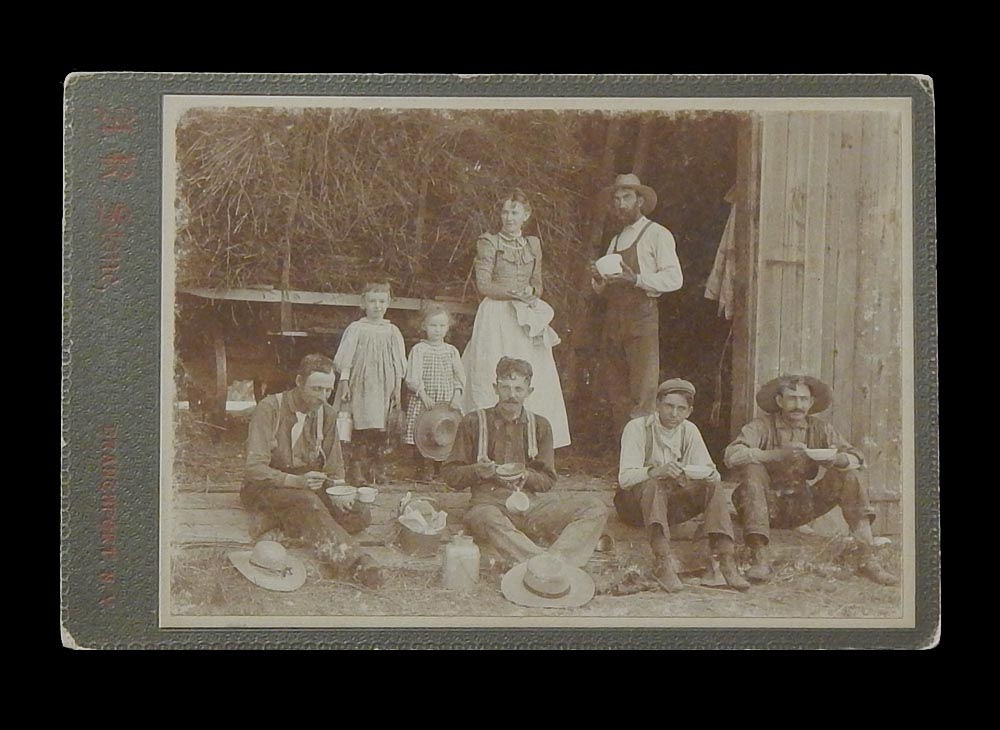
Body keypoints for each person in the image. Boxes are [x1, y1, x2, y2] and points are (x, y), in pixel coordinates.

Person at [724, 374, 899, 586]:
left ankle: (867, 559)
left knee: (850, 475)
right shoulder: (761, 426)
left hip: (801, 507)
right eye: (792, 398)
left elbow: (857, 457)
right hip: (761, 507)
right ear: (780, 401)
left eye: (804, 399)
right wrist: (775, 455)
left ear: (811, 403)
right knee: (752, 469)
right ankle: (759, 558)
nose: (798, 405)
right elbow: (732, 455)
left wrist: (838, 459)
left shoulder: (820, 428)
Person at [442, 357, 608, 570]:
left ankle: (559, 561)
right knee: (482, 517)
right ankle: (543, 564)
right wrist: (477, 471)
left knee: (594, 507)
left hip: (532, 507)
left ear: (529, 391)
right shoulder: (473, 422)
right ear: (496, 388)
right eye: (506, 388)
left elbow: (548, 480)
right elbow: (450, 475)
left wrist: (527, 476)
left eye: (519, 389)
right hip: (489, 506)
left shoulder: (540, 426)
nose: (512, 395)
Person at [241, 353, 383, 588]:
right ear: (298, 382)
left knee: (360, 515)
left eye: (328, 390)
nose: (322, 397)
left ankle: (285, 525)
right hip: (266, 485)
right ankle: (356, 564)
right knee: (307, 502)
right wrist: (296, 482)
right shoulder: (269, 409)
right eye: (316, 389)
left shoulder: (327, 413)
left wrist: (340, 495)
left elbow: (335, 468)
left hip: (307, 484)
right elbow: (253, 469)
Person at [614, 378, 748, 592]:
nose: (674, 413)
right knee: (653, 484)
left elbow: (710, 471)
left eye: (681, 408)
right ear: (657, 405)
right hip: (634, 506)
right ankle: (663, 561)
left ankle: (726, 559)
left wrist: (697, 475)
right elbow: (625, 478)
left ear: (689, 411)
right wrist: (657, 471)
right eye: (668, 406)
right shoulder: (637, 428)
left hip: (670, 507)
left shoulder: (689, 430)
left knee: (713, 486)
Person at [461, 189, 571, 449]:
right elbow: (485, 285)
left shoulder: (532, 244)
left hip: (526, 316)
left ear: (526, 215)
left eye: (515, 212)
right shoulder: (489, 242)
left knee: (535, 374)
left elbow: (538, 284)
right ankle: (487, 442)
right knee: (492, 369)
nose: (508, 217)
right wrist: (514, 294)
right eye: (505, 212)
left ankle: (531, 443)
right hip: (497, 316)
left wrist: (531, 293)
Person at [591, 173, 683, 437]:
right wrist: (598, 280)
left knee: (643, 392)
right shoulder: (615, 240)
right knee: (617, 391)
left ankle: (644, 459)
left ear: (640, 200)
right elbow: (604, 287)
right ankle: (625, 459)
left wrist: (638, 279)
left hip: (641, 318)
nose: (620, 204)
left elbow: (674, 278)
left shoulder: (657, 234)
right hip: (614, 319)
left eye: (627, 198)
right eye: (617, 199)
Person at [333, 282, 407, 486]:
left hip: (385, 384)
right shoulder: (356, 328)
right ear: (363, 303)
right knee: (360, 424)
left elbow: (398, 362)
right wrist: (345, 382)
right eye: (372, 301)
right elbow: (346, 358)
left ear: (389, 303)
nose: (377, 306)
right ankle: (356, 469)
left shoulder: (392, 331)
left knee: (380, 427)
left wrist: (397, 388)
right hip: (362, 382)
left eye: (382, 301)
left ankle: (377, 469)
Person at [404, 302, 466, 481]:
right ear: (424, 326)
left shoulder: (451, 351)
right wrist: (422, 394)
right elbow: (412, 376)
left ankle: (442, 468)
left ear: (448, 327)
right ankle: (424, 469)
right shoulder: (419, 350)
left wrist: (457, 394)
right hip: (426, 400)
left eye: (442, 326)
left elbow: (459, 376)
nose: (437, 330)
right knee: (423, 432)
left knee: (445, 433)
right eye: (433, 325)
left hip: (445, 402)